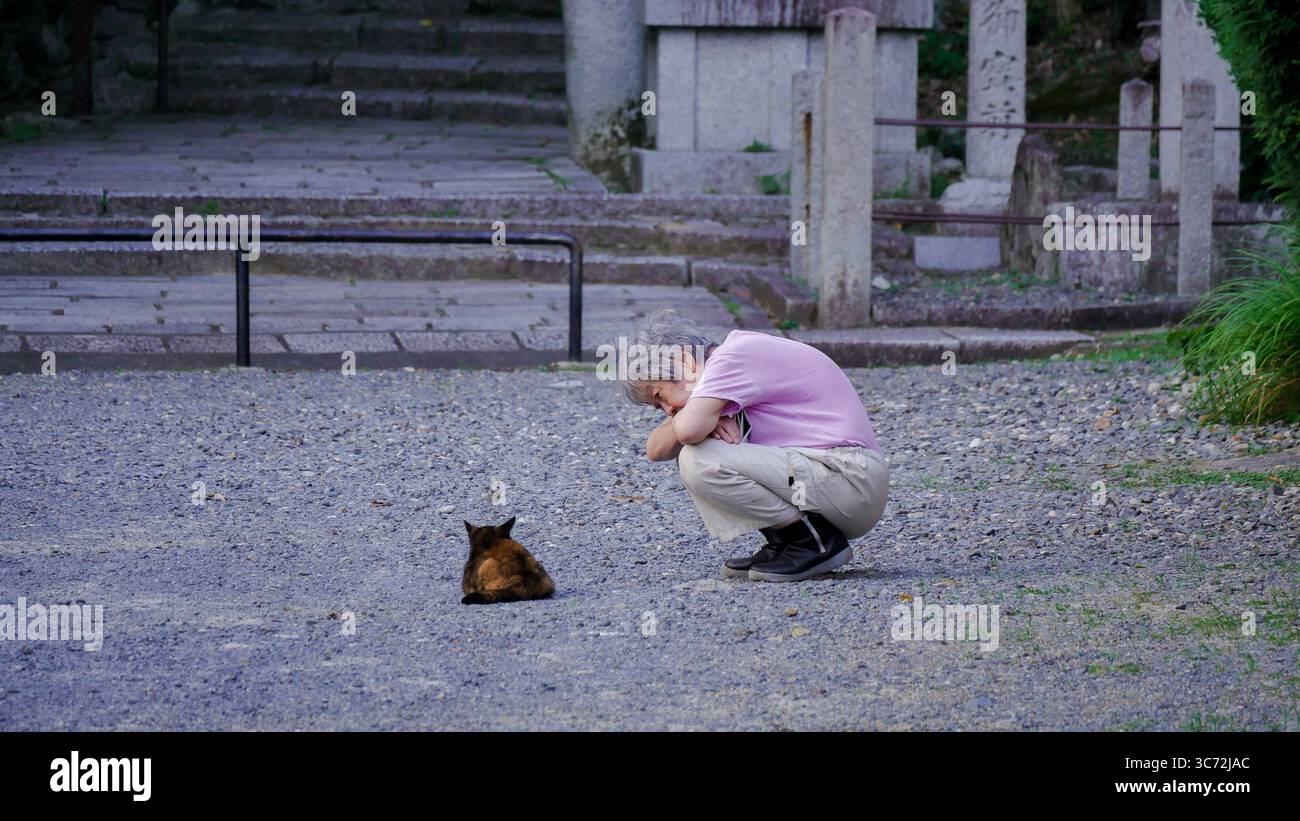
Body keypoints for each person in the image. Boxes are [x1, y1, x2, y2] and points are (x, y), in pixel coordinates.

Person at [620, 309, 889, 582]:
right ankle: (788, 542)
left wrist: (697, 419)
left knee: (699, 457)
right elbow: (655, 450)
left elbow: (688, 431)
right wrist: (697, 415)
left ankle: (814, 543)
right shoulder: (726, 378)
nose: (668, 410)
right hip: (840, 485)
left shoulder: (733, 356)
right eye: (658, 408)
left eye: (660, 396)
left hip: (851, 477)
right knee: (696, 451)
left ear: (682, 361)